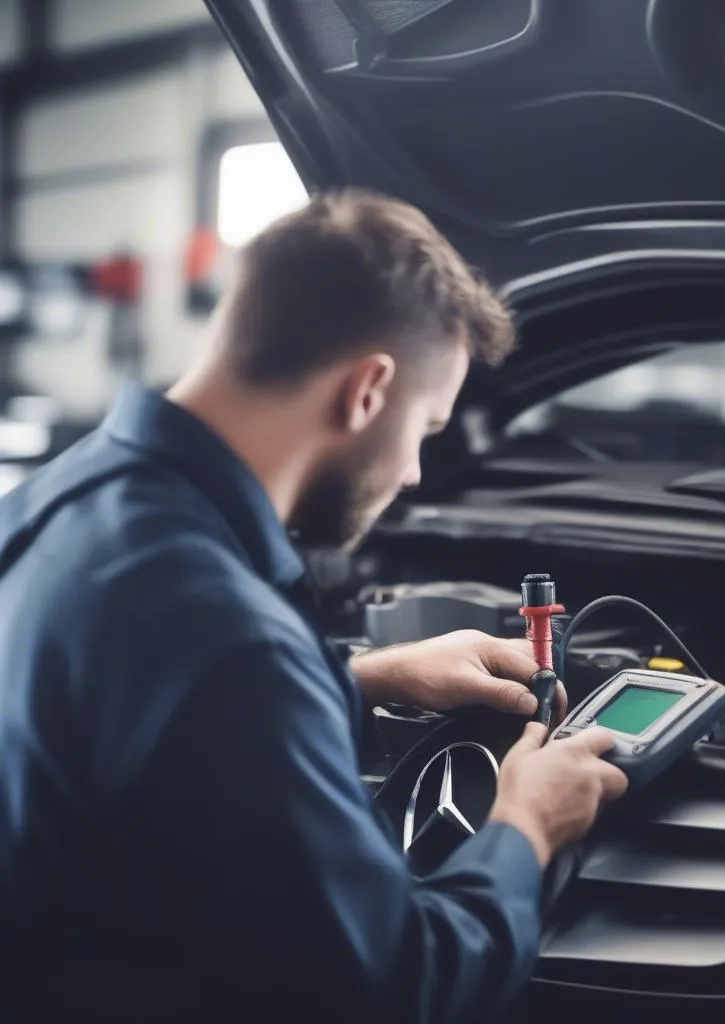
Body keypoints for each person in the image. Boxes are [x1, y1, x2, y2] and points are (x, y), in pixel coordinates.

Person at [0, 189, 627, 1023]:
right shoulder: (229, 647)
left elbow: (128, 709)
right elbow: (395, 987)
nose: (410, 475)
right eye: (427, 429)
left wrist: (361, 677)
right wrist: (525, 826)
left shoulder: (62, 500)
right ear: (368, 390)